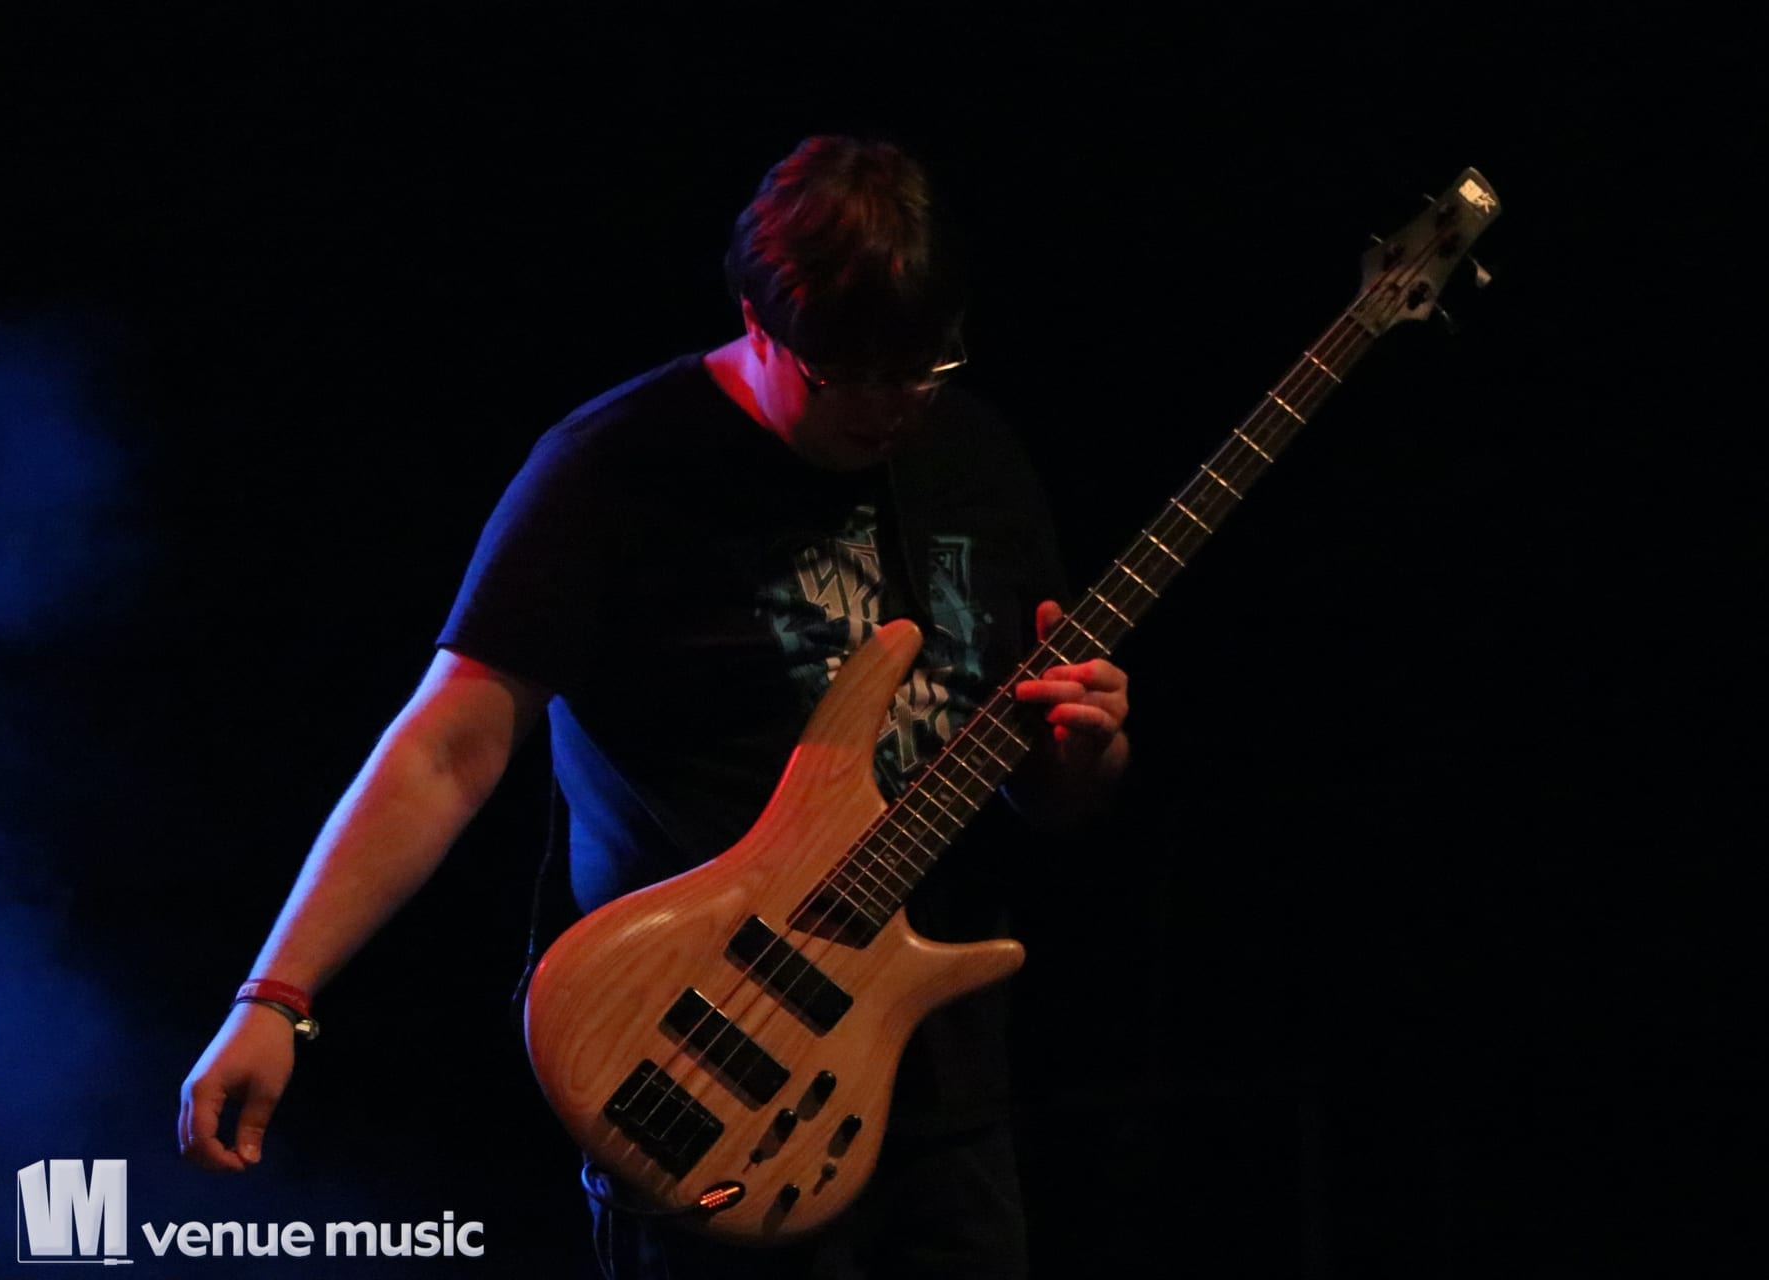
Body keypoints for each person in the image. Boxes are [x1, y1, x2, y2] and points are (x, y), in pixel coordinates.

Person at [177, 134, 1131, 1279]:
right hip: (707, 1083)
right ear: (757, 321)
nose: (889, 407)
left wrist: (1082, 753)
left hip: (941, 1091)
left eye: (918, 369)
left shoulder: (974, 452)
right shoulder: (615, 468)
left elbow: (1042, 781)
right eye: (847, 376)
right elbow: (445, 748)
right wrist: (277, 993)